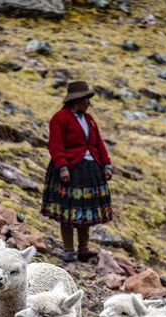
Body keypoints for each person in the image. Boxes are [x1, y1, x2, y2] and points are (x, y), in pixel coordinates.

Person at [41, 80, 113, 262]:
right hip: (70, 170)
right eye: (86, 99)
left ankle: (83, 249)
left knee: (85, 210)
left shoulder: (89, 120)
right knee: (68, 211)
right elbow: (56, 145)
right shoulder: (60, 118)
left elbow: (99, 144)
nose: (89, 103)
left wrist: (106, 165)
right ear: (77, 100)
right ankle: (68, 250)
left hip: (90, 170)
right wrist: (63, 167)